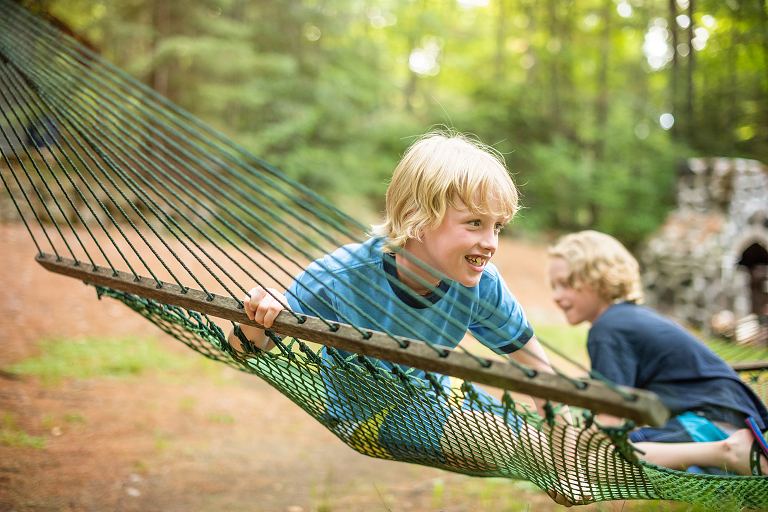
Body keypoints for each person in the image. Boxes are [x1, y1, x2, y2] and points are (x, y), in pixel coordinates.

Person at [227, 130, 567, 472]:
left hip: (440, 396)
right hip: (369, 416)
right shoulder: (345, 276)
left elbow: (536, 366)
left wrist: (561, 437)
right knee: (516, 448)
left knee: (570, 444)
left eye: (498, 227)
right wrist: (258, 314)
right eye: (475, 223)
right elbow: (246, 349)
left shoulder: (483, 284)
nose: (491, 242)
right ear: (417, 218)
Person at [547, 230, 768, 477]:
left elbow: (610, 420)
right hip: (732, 419)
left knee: (600, 458)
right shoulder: (628, 317)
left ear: (598, 279)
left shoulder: (607, 329)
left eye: (565, 284)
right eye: (553, 286)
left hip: (708, 422)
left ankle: (726, 452)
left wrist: (575, 445)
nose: (556, 296)